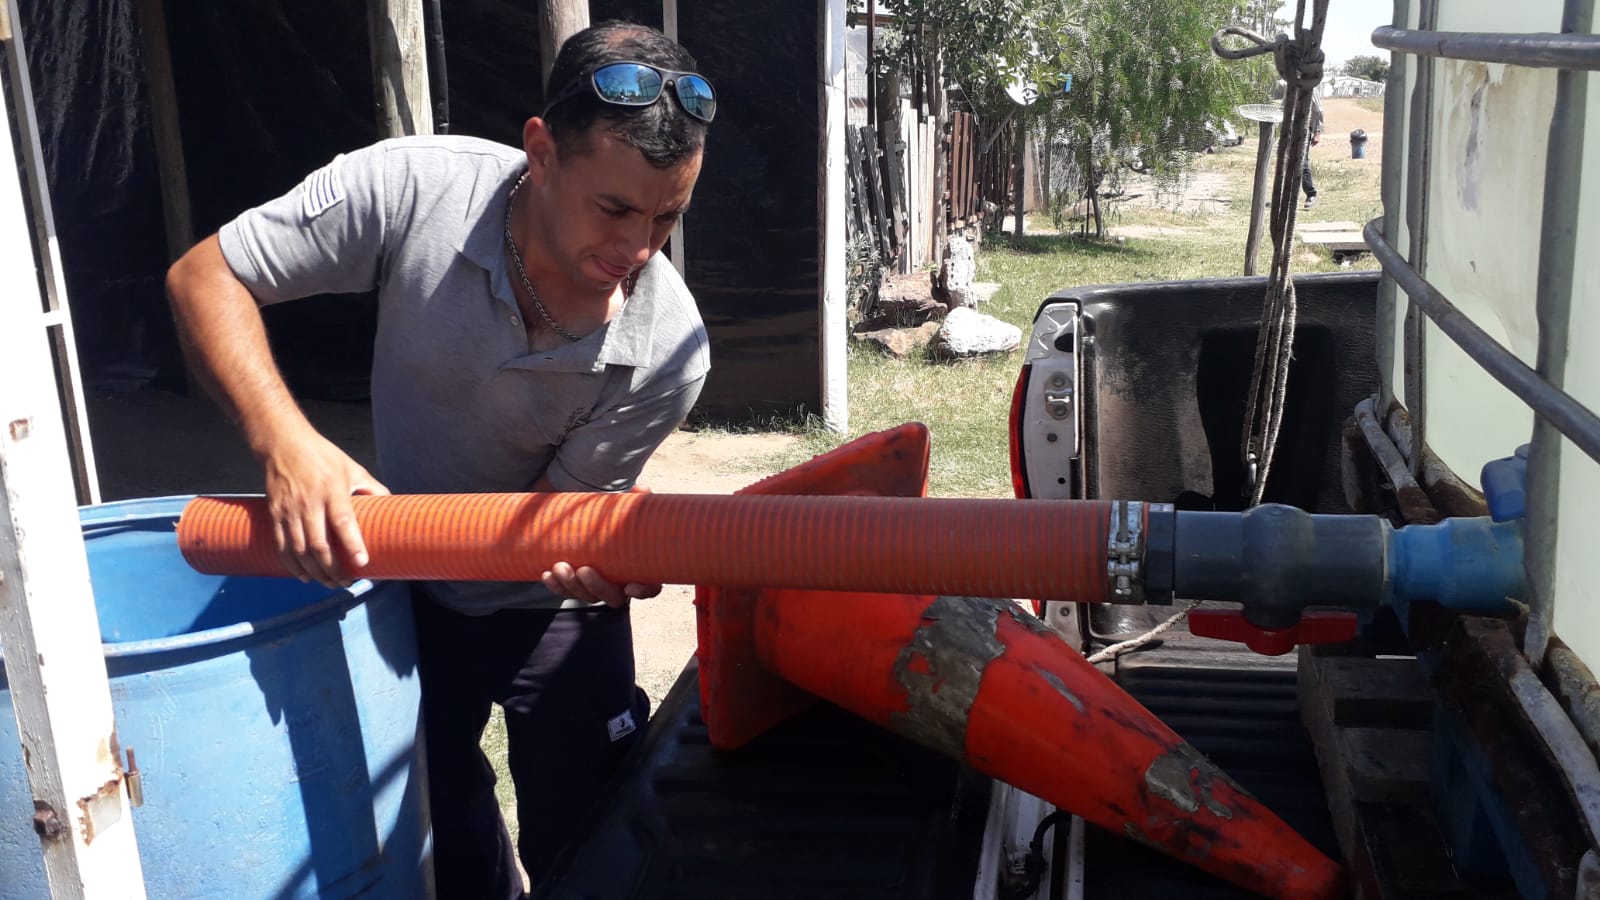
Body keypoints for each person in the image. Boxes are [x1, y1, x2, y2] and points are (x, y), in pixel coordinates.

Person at [165, 21, 716, 899]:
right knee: (437, 818)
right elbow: (204, 276)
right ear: (539, 151)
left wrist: (597, 548)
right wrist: (287, 441)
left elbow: (540, 532)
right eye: (614, 209)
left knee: (601, 839)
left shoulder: (669, 345)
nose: (639, 250)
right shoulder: (410, 188)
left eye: (669, 215)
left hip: (551, 605)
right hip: (406, 583)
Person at [1302, 91, 1324, 208]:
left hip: (1304, 128)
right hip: (1289, 129)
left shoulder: (1311, 87)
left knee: (1302, 162)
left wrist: (1317, 133)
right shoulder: (1291, 84)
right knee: (1286, 162)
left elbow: (1318, 111)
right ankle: (1283, 197)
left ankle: (1311, 194)